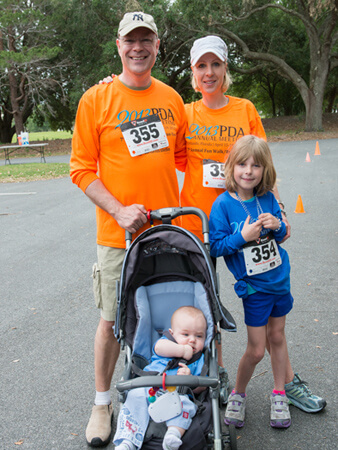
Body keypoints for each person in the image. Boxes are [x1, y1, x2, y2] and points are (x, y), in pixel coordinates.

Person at [180, 35, 325, 414]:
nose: (208, 72)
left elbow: (264, 164)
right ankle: (219, 377)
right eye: (201, 66)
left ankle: (287, 382)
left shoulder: (244, 109)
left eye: (215, 65)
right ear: (193, 73)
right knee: (205, 307)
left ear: (226, 69)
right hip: (202, 227)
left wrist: (281, 211)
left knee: (269, 298)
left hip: (250, 222)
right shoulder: (185, 114)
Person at [70, 11, 187, 447]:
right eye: (130, 40)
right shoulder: (95, 100)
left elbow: (183, 161)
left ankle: (174, 388)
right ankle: (102, 403)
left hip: (167, 234)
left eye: (146, 40)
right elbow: (81, 169)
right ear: (118, 46)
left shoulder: (173, 99)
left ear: (157, 45)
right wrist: (119, 210)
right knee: (111, 322)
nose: (138, 48)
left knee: (174, 315)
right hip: (117, 236)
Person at [209, 135, 295, 428]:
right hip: (255, 289)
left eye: (256, 166)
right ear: (231, 167)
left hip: (279, 280)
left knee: (278, 337)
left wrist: (278, 225)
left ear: (264, 170)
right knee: (257, 349)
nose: (249, 171)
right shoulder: (222, 205)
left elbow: (283, 235)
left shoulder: (268, 197)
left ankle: (280, 393)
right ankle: (238, 393)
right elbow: (216, 247)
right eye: (242, 164)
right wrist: (241, 237)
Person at [113, 306, 207, 450]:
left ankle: (173, 435)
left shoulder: (199, 359)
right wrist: (182, 351)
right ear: (172, 333)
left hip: (177, 395)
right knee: (134, 398)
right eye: (186, 334)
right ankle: (127, 441)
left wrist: (190, 379)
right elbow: (159, 348)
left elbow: (203, 386)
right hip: (149, 388)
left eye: (199, 336)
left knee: (188, 405)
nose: (192, 340)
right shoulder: (166, 342)